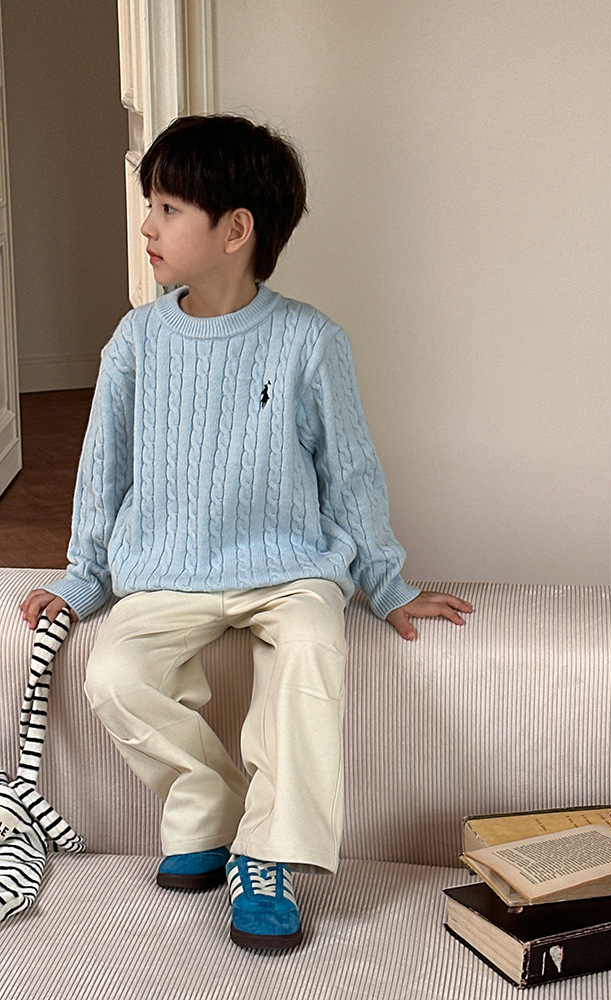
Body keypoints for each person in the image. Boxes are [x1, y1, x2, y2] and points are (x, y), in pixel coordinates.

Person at [19, 114, 473, 951]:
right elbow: (103, 469)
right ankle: (210, 809)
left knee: (310, 656)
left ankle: (267, 858)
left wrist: (387, 584)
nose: (148, 226)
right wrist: (83, 577)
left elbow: (351, 472)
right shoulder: (136, 341)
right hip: (166, 570)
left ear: (236, 230)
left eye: (168, 208)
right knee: (115, 675)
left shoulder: (310, 341)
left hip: (290, 568)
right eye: (149, 205)